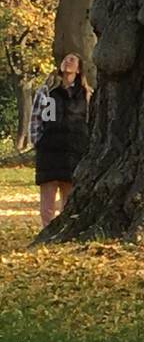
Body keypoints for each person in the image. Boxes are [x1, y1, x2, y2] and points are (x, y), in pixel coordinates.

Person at [30, 53, 91, 228]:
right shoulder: (46, 91)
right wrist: (38, 142)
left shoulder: (86, 94)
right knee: (47, 201)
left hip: (74, 151)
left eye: (72, 60)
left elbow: (91, 121)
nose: (67, 62)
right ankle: (46, 231)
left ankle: (65, 231)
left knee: (69, 197)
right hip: (49, 151)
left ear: (79, 69)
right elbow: (35, 119)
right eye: (65, 59)